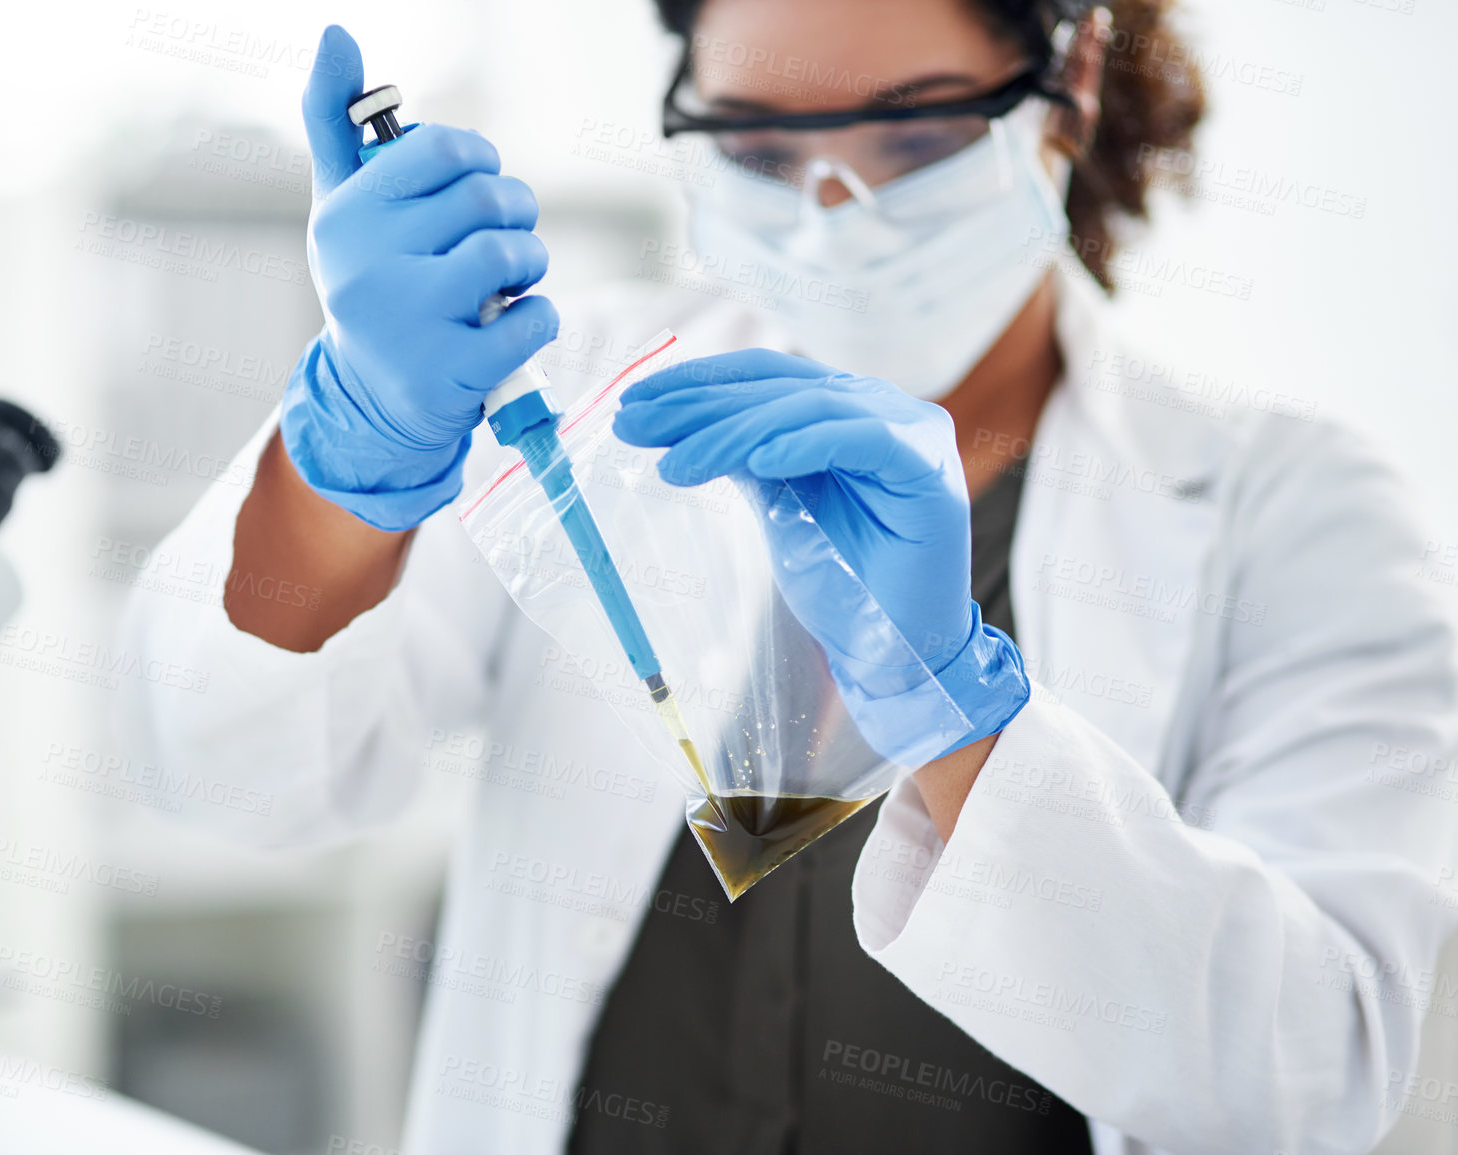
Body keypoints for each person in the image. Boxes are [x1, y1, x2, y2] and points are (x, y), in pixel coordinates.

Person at [117, 2, 1458, 1152]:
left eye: (920, 132)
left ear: (1075, 79)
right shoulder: (585, 398)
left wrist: (961, 720)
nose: (836, 205)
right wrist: (352, 453)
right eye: (756, 144)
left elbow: (1311, 1071)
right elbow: (239, 778)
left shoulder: (1297, 510)